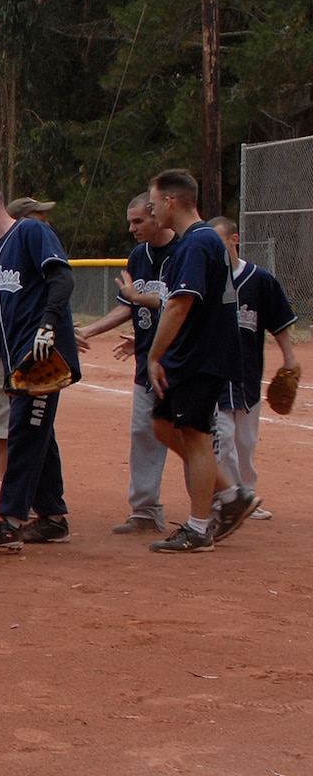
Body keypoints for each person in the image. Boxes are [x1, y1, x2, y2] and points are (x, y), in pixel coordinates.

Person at [0, 182, 80, 553]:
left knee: (24, 433)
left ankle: (10, 522)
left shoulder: (31, 231)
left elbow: (62, 279)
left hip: (42, 360)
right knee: (39, 433)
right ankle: (52, 518)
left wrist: (48, 324)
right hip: (16, 363)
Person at [142, 170, 253, 552]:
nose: (152, 210)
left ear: (170, 202)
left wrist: (155, 356)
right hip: (188, 354)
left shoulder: (196, 243)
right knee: (162, 426)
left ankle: (198, 527)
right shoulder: (197, 242)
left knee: (195, 436)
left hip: (200, 355)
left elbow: (180, 304)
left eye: (154, 203)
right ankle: (231, 493)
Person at [76, 194, 175, 534]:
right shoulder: (138, 255)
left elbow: (180, 302)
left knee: (195, 435)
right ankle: (146, 510)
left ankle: (220, 505)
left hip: (184, 361)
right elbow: (127, 307)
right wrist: (88, 330)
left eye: (138, 221)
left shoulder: (186, 250)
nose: (131, 228)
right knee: (142, 433)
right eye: (130, 222)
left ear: (158, 215)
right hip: (148, 361)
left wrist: (141, 303)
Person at [208, 216, 297, 521]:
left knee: (245, 442)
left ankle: (247, 493)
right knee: (222, 435)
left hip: (248, 376)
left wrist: (289, 358)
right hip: (216, 375)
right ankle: (229, 496)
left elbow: (279, 322)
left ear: (234, 240)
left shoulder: (260, 280)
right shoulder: (206, 279)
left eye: (218, 242)